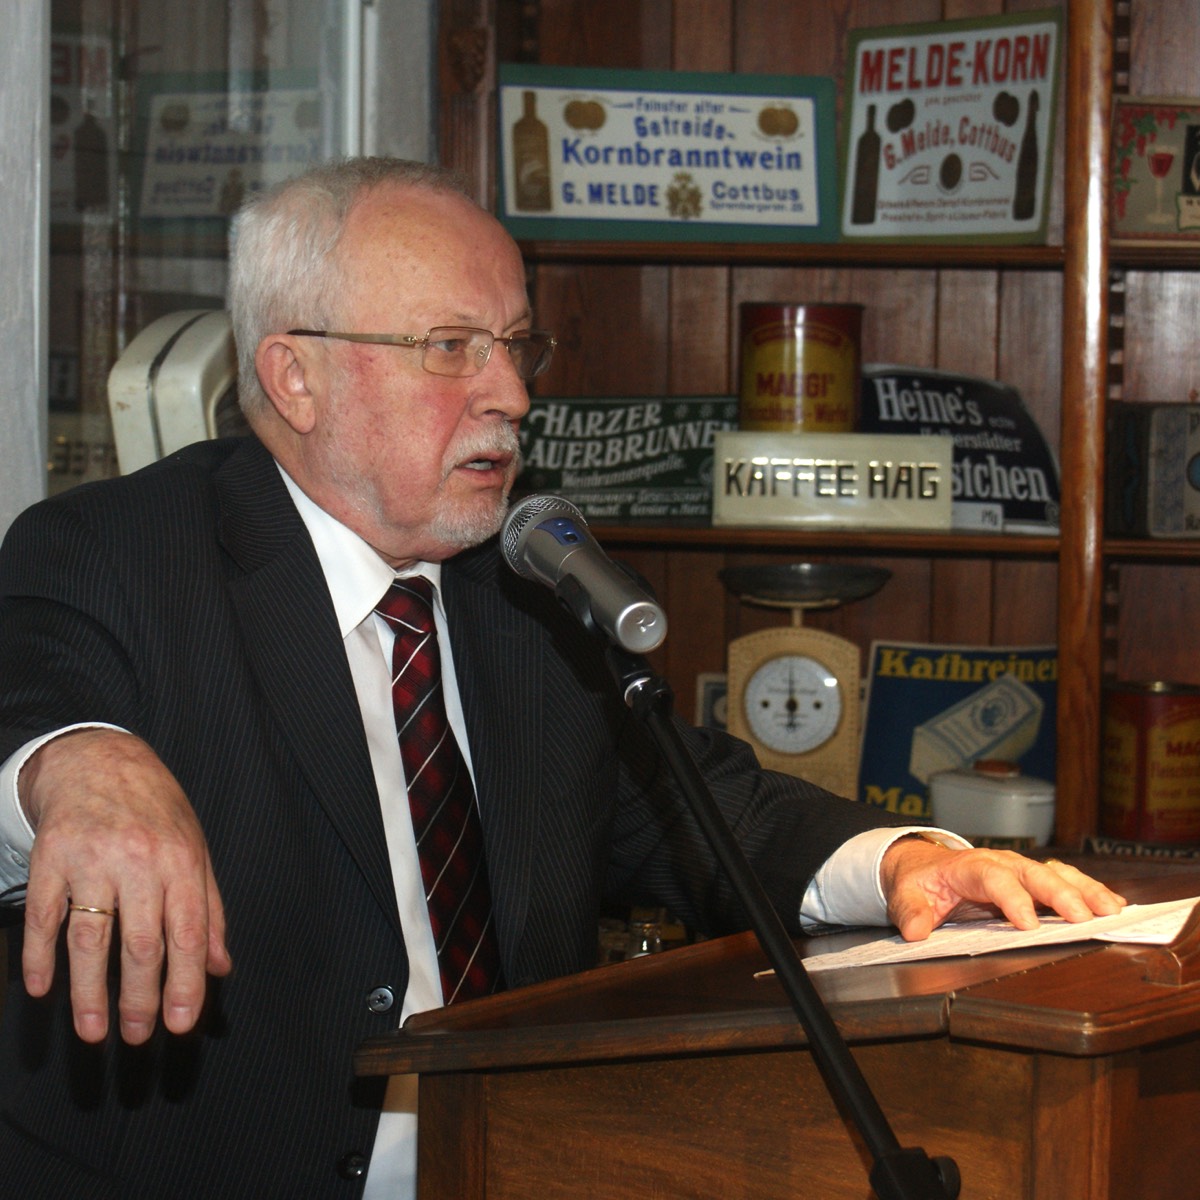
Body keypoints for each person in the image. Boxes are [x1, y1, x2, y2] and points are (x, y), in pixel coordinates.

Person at [0, 157, 1123, 1198]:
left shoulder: (528, 594)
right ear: (295, 376)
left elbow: (711, 808)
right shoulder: (120, 550)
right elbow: (30, 678)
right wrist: (75, 763)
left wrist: (910, 863)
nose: (510, 395)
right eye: (451, 348)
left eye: (516, 347)